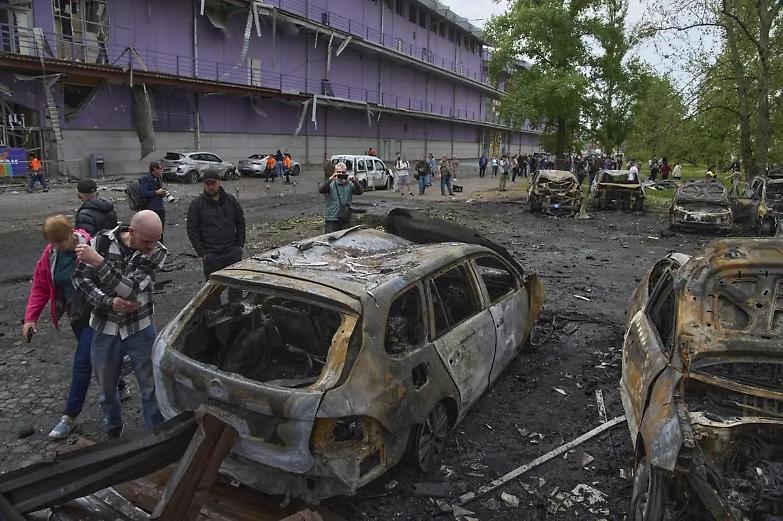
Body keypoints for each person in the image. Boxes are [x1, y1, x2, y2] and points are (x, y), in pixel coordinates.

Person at [23, 215, 128, 439]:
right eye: (54, 243)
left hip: (99, 313)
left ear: (72, 231)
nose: (59, 246)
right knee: (97, 358)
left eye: (61, 241)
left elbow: (111, 274)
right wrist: (30, 318)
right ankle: (119, 382)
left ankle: (69, 416)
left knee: (82, 362)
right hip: (76, 315)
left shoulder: (91, 246)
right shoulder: (51, 255)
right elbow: (41, 285)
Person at [72, 210, 167, 438]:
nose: (152, 245)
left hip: (140, 327)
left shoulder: (158, 251)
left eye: (156, 240)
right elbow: (80, 279)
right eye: (147, 241)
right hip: (104, 327)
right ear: (131, 232)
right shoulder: (101, 241)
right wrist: (107, 301)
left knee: (151, 388)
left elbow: (131, 289)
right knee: (106, 389)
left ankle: (154, 436)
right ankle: (114, 429)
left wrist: (98, 261)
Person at [187, 171, 245, 300]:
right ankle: (214, 314)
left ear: (219, 182)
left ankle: (236, 312)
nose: (210, 186)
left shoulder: (230, 200)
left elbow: (240, 222)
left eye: (212, 183)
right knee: (212, 291)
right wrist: (202, 253)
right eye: (207, 184)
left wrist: (239, 245)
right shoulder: (197, 204)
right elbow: (192, 230)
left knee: (236, 287)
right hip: (211, 255)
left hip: (232, 252)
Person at [319, 162, 363, 233]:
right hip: (331, 218)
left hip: (345, 218)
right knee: (329, 240)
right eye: (339, 172)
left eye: (343, 172)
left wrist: (354, 181)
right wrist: (330, 179)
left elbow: (360, 192)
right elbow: (321, 190)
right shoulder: (331, 184)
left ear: (346, 173)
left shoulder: (350, 184)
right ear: (335, 172)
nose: (341, 174)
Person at [138, 161, 167, 239]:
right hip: (150, 209)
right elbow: (143, 193)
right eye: (160, 168)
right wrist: (157, 192)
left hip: (160, 208)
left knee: (160, 230)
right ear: (154, 169)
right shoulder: (145, 179)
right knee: (151, 230)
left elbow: (159, 190)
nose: (162, 170)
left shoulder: (158, 178)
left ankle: (160, 245)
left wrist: (163, 192)